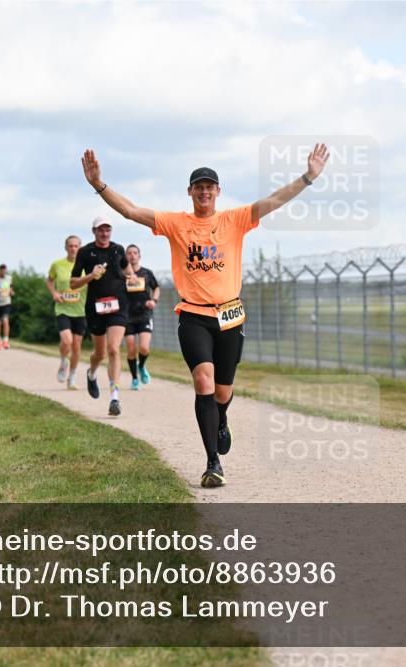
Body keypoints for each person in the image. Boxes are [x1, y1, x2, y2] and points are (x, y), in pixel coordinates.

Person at [81, 142, 329, 487]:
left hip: (229, 315)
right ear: (190, 192)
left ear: (218, 192)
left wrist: (307, 177)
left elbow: (274, 201)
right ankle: (213, 462)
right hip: (193, 316)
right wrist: (98, 184)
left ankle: (221, 418)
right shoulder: (175, 223)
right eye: (198, 187)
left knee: (222, 392)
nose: (204, 192)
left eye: (210, 187)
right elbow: (131, 211)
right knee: (203, 381)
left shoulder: (235, 220)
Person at [70, 217, 135, 416]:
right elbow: (73, 283)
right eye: (101, 230)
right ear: (94, 231)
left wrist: (131, 276)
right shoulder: (85, 252)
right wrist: (91, 276)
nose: (104, 234)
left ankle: (114, 397)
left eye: (107, 230)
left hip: (118, 305)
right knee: (100, 354)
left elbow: (127, 269)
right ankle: (91, 373)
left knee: (114, 348)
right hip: (95, 307)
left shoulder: (118, 249)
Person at [46, 235, 87, 389]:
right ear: (65, 247)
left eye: (76, 246)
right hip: (63, 309)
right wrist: (54, 293)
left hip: (81, 310)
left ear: (80, 248)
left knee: (76, 347)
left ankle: (72, 377)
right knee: (66, 341)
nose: (73, 249)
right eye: (70, 246)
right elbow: (49, 280)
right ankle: (64, 361)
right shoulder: (57, 264)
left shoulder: (86, 266)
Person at [123, 244, 160, 390]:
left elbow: (156, 288)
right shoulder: (122, 274)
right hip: (127, 315)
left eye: (135, 253)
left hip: (144, 314)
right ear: (126, 257)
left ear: (139, 256)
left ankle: (141, 366)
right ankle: (134, 379)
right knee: (131, 349)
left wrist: (154, 300)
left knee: (144, 348)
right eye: (129, 253)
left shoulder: (146, 273)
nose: (132, 255)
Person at [0, 264, 14, 350]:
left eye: (4, 270)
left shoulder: (9, 278)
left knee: (5, 320)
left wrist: (11, 292)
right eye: (2, 270)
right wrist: (0, 290)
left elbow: (11, 288)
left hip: (7, 302)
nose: (3, 272)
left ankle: (6, 341)